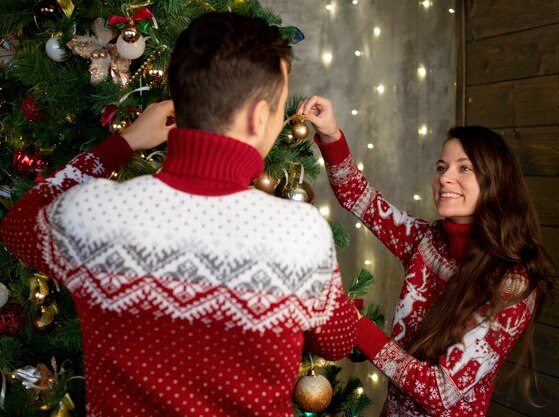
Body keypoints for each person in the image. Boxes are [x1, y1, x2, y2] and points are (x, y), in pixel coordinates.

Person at [0, 14, 357, 417]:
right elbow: (338, 340)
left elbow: (18, 223)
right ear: (259, 117)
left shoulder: (94, 215)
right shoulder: (300, 235)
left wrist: (124, 142)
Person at [296, 96, 554, 417]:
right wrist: (332, 135)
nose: (445, 177)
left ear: (495, 183)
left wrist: (356, 326)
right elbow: (358, 196)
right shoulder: (426, 239)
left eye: (464, 168)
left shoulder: (512, 286)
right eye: (442, 167)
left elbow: (438, 391)